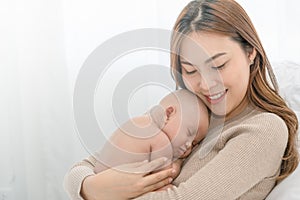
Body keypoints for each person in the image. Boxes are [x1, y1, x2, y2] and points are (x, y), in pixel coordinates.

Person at [64, 0, 299, 199]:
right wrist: (91, 187)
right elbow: (82, 168)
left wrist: (107, 191)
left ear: (251, 52)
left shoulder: (264, 130)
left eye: (218, 65)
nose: (206, 85)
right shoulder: (189, 110)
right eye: (190, 70)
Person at [93, 89, 209, 178]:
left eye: (194, 143)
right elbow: (166, 175)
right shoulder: (161, 141)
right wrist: (178, 162)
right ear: (168, 114)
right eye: (189, 132)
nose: (189, 145)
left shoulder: (138, 122)